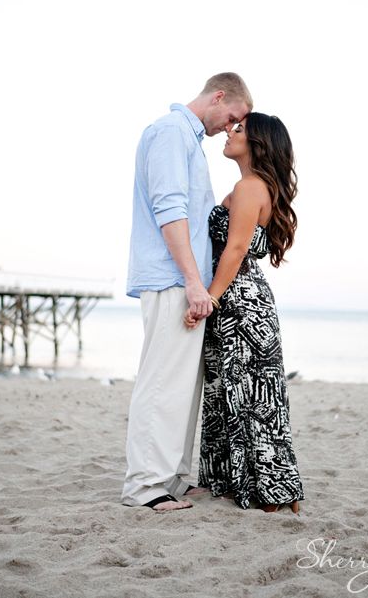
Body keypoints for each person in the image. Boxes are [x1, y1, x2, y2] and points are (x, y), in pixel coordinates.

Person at [123, 73, 253, 512]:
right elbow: (169, 210)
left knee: (181, 387)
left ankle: (172, 478)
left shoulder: (189, 141)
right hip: (172, 278)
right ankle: (145, 487)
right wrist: (194, 281)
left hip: (183, 279)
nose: (231, 127)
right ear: (219, 96)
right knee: (161, 382)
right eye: (232, 116)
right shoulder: (169, 133)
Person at [184, 112, 304, 513]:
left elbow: (235, 250)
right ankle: (248, 484)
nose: (230, 132)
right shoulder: (256, 186)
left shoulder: (250, 186)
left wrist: (209, 301)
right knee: (243, 393)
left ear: (256, 143)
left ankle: (268, 491)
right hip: (247, 301)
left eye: (239, 130)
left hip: (239, 304)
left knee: (250, 395)